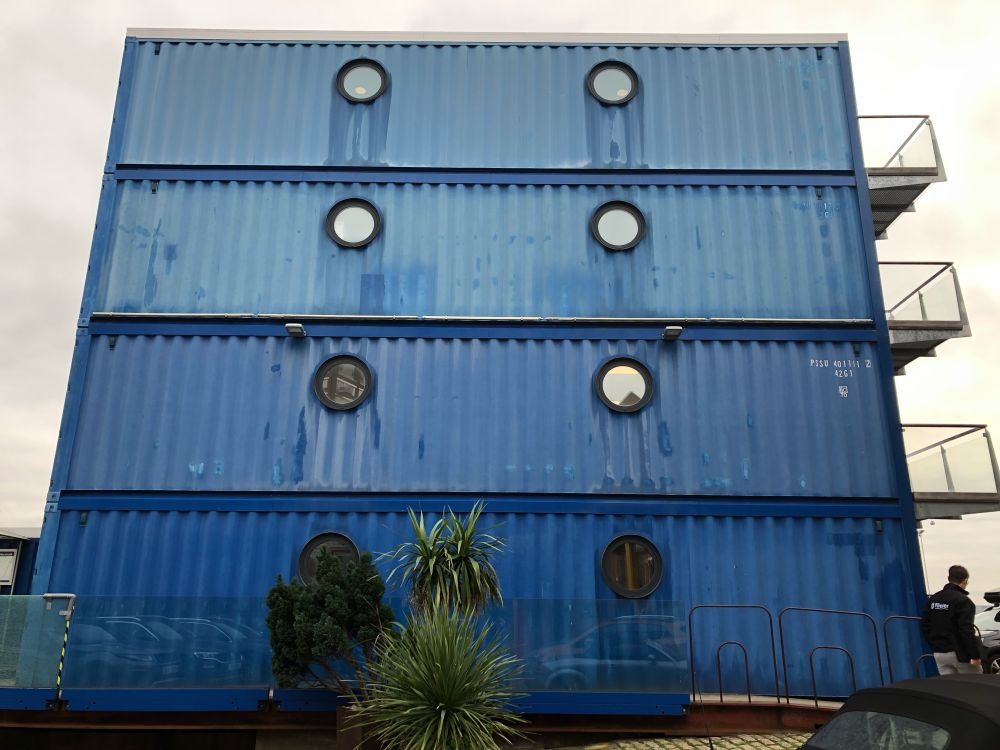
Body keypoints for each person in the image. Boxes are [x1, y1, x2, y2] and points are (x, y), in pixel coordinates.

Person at [920, 565, 982, 675]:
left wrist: (935, 645)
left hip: (940, 653)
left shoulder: (933, 599)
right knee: (975, 687)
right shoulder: (963, 601)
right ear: (965, 581)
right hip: (960, 654)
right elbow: (966, 630)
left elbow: (925, 625)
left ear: (949, 578)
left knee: (949, 688)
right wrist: (975, 655)